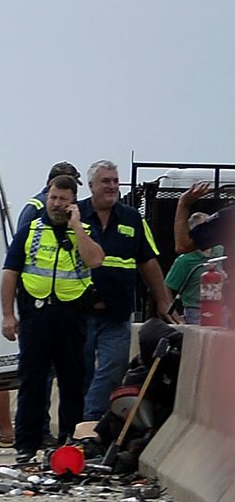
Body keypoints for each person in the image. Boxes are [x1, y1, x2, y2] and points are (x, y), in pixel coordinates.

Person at [1, 173, 104, 461]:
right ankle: (26, 444)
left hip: (72, 315)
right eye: (53, 198)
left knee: (73, 381)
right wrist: (8, 315)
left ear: (73, 203)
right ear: (47, 196)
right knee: (32, 380)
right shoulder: (30, 231)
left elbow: (95, 260)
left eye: (64, 199)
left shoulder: (84, 230)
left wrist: (76, 227)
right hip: (36, 313)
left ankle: (69, 441)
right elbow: (10, 273)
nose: (57, 204)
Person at [77, 160, 177, 423]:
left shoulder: (132, 218)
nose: (112, 186)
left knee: (113, 368)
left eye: (115, 181)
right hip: (78, 312)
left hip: (117, 312)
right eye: (105, 181)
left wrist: (164, 302)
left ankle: (92, 422)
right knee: (79, 371)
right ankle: (74, 425)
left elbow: (148, 261)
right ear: (91, 186)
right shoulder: (75, 215)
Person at [166, 212, 224, 324]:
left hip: (222, 310)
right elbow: (167, 286)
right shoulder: (185, 260)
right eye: (207, 226)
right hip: (196, 312)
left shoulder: (221, 251)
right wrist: (174, 314)